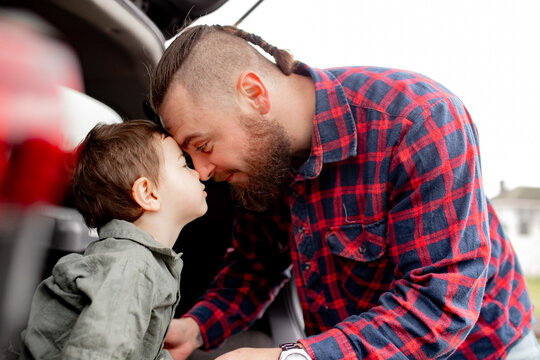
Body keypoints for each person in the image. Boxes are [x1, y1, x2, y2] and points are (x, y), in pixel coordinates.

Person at [149, 25, 538, 360]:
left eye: (202, 145)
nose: (201, 171)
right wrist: (197, 328)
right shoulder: (260, 162)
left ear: (254, 93)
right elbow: (256, 265)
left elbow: (440, 305)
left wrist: (296, 356)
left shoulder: (418, 120)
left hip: (483, 350)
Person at [19, 120, 208, 360]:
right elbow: (96, 354)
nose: (197, 172)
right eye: (184, 165)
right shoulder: (132, 266)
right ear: (148, 193)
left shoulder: (137, 261)